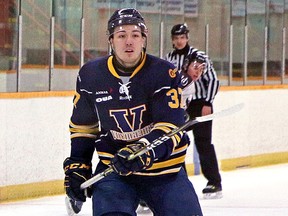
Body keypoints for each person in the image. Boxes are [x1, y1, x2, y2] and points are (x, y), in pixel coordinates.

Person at [63, 9, 203, 216]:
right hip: (115, 172)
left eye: (135, 35)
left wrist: (143, 149)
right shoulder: (90, 75)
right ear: (111, 40)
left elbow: (171, 127)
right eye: (121, 35)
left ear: (143, 39)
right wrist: (79, 165)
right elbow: (84, 127)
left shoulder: (163, 72)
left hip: (165, 171)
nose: (129, 41)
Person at [165, 23, 222, 199]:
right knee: (175, 142)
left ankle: (214, 182)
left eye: (182, 37)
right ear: (173, 40)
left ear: (187, 38)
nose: (179, 41)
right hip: (180, 106)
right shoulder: (168, 59)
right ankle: (178, 182)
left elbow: (212, 80)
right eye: (176, 38)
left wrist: (208, 103)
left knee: (203, 143)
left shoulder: (199, 57)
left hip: (200, 105)